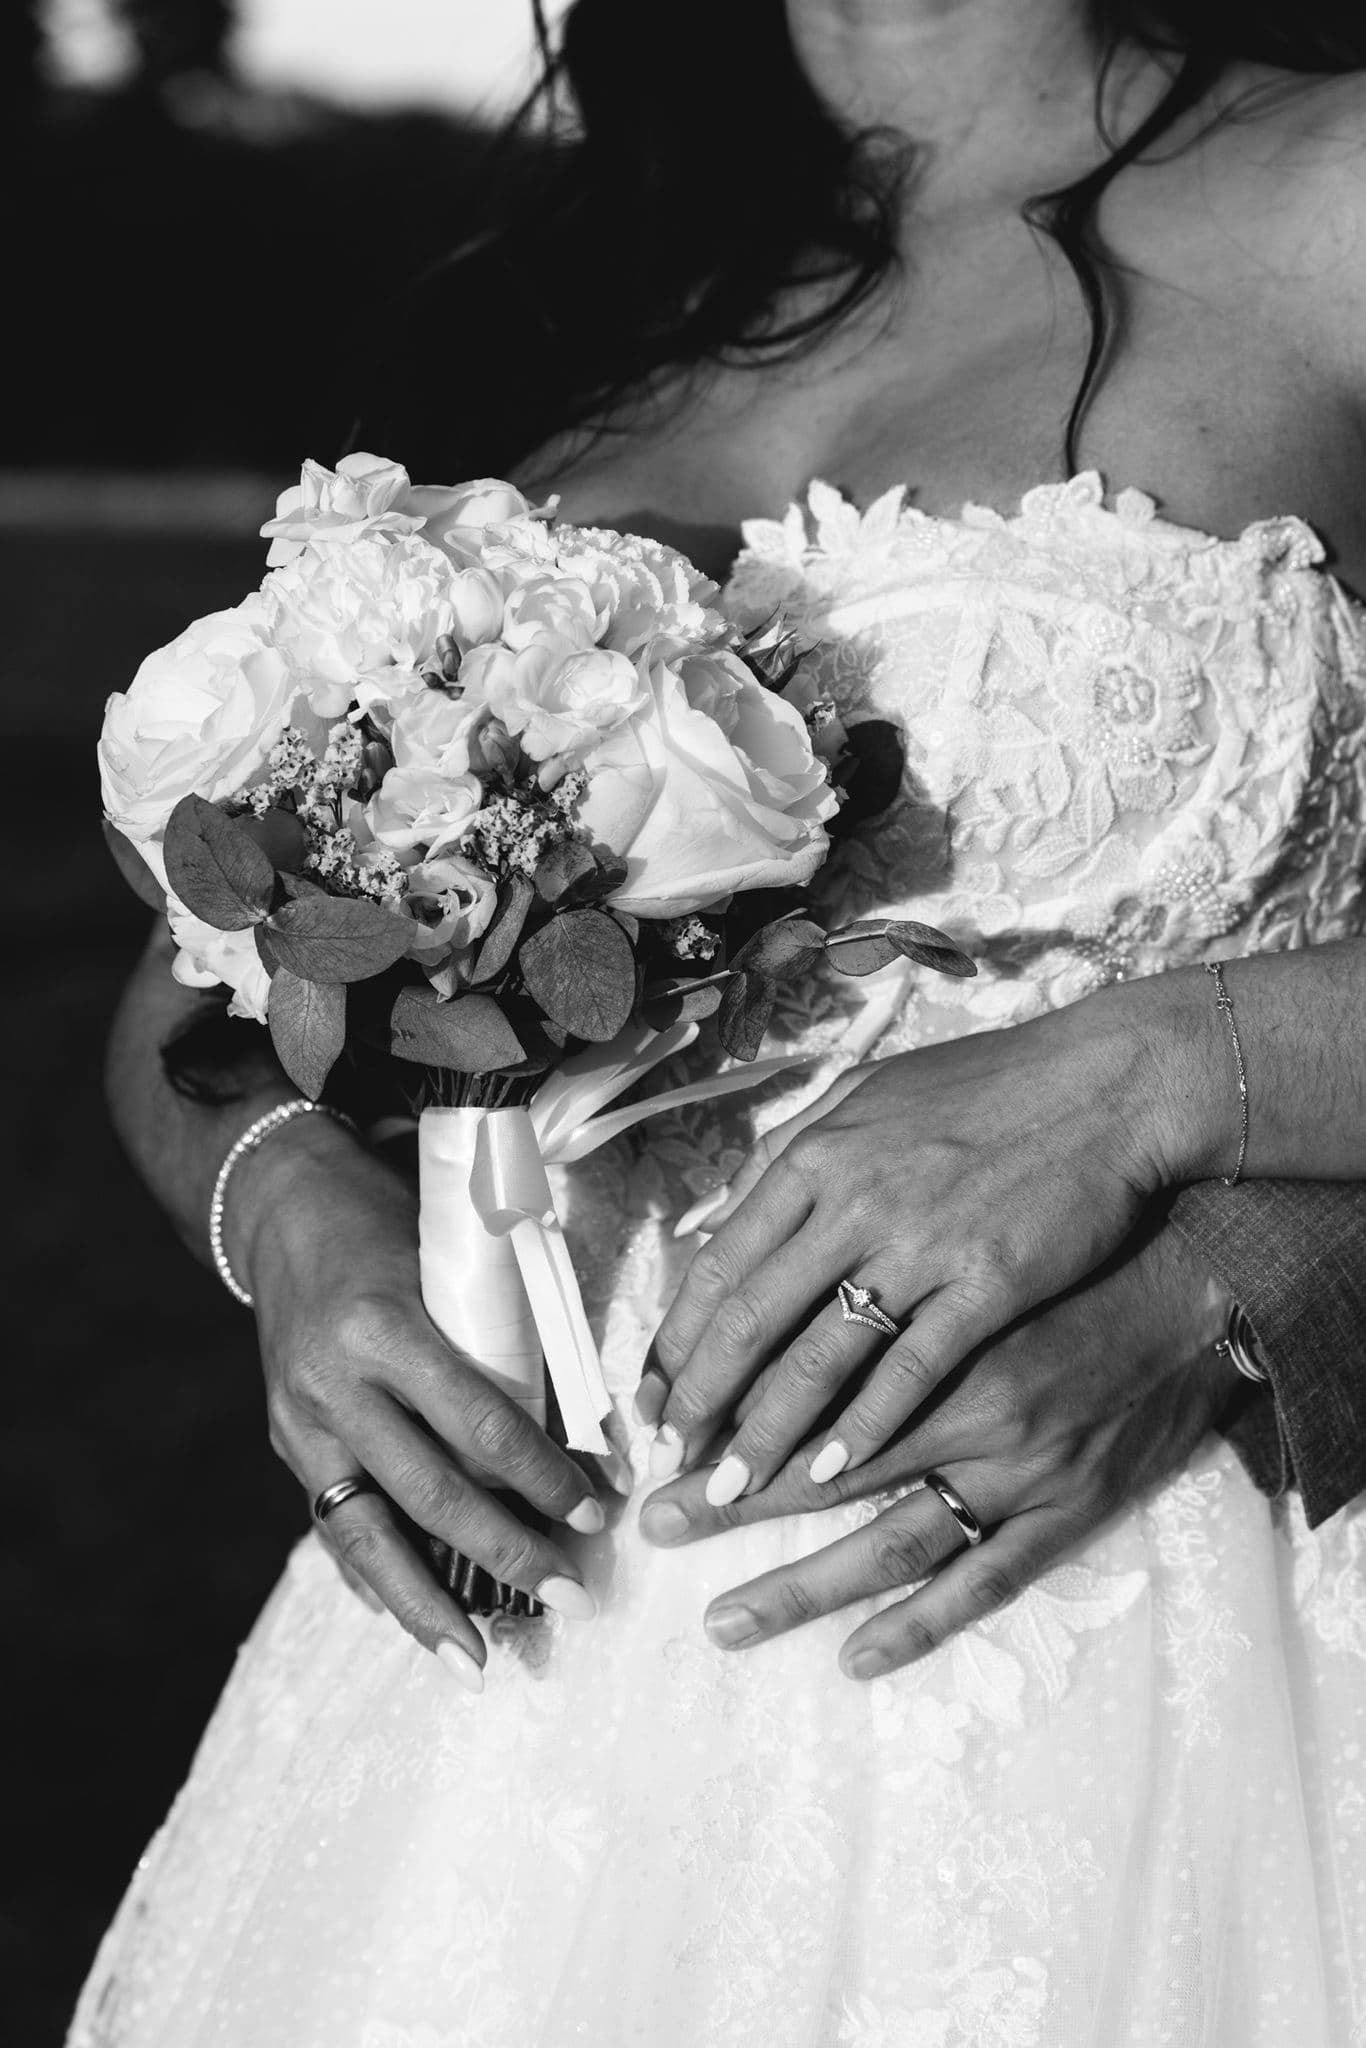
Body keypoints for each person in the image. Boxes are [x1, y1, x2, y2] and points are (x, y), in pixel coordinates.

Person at [71, 2, 1366, 2042]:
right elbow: (188, 996)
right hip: (531, 1716)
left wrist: (1147, 1127)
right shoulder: (576, 299)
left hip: (1162, 1626)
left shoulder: (1331, 191)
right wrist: (292, 1227)